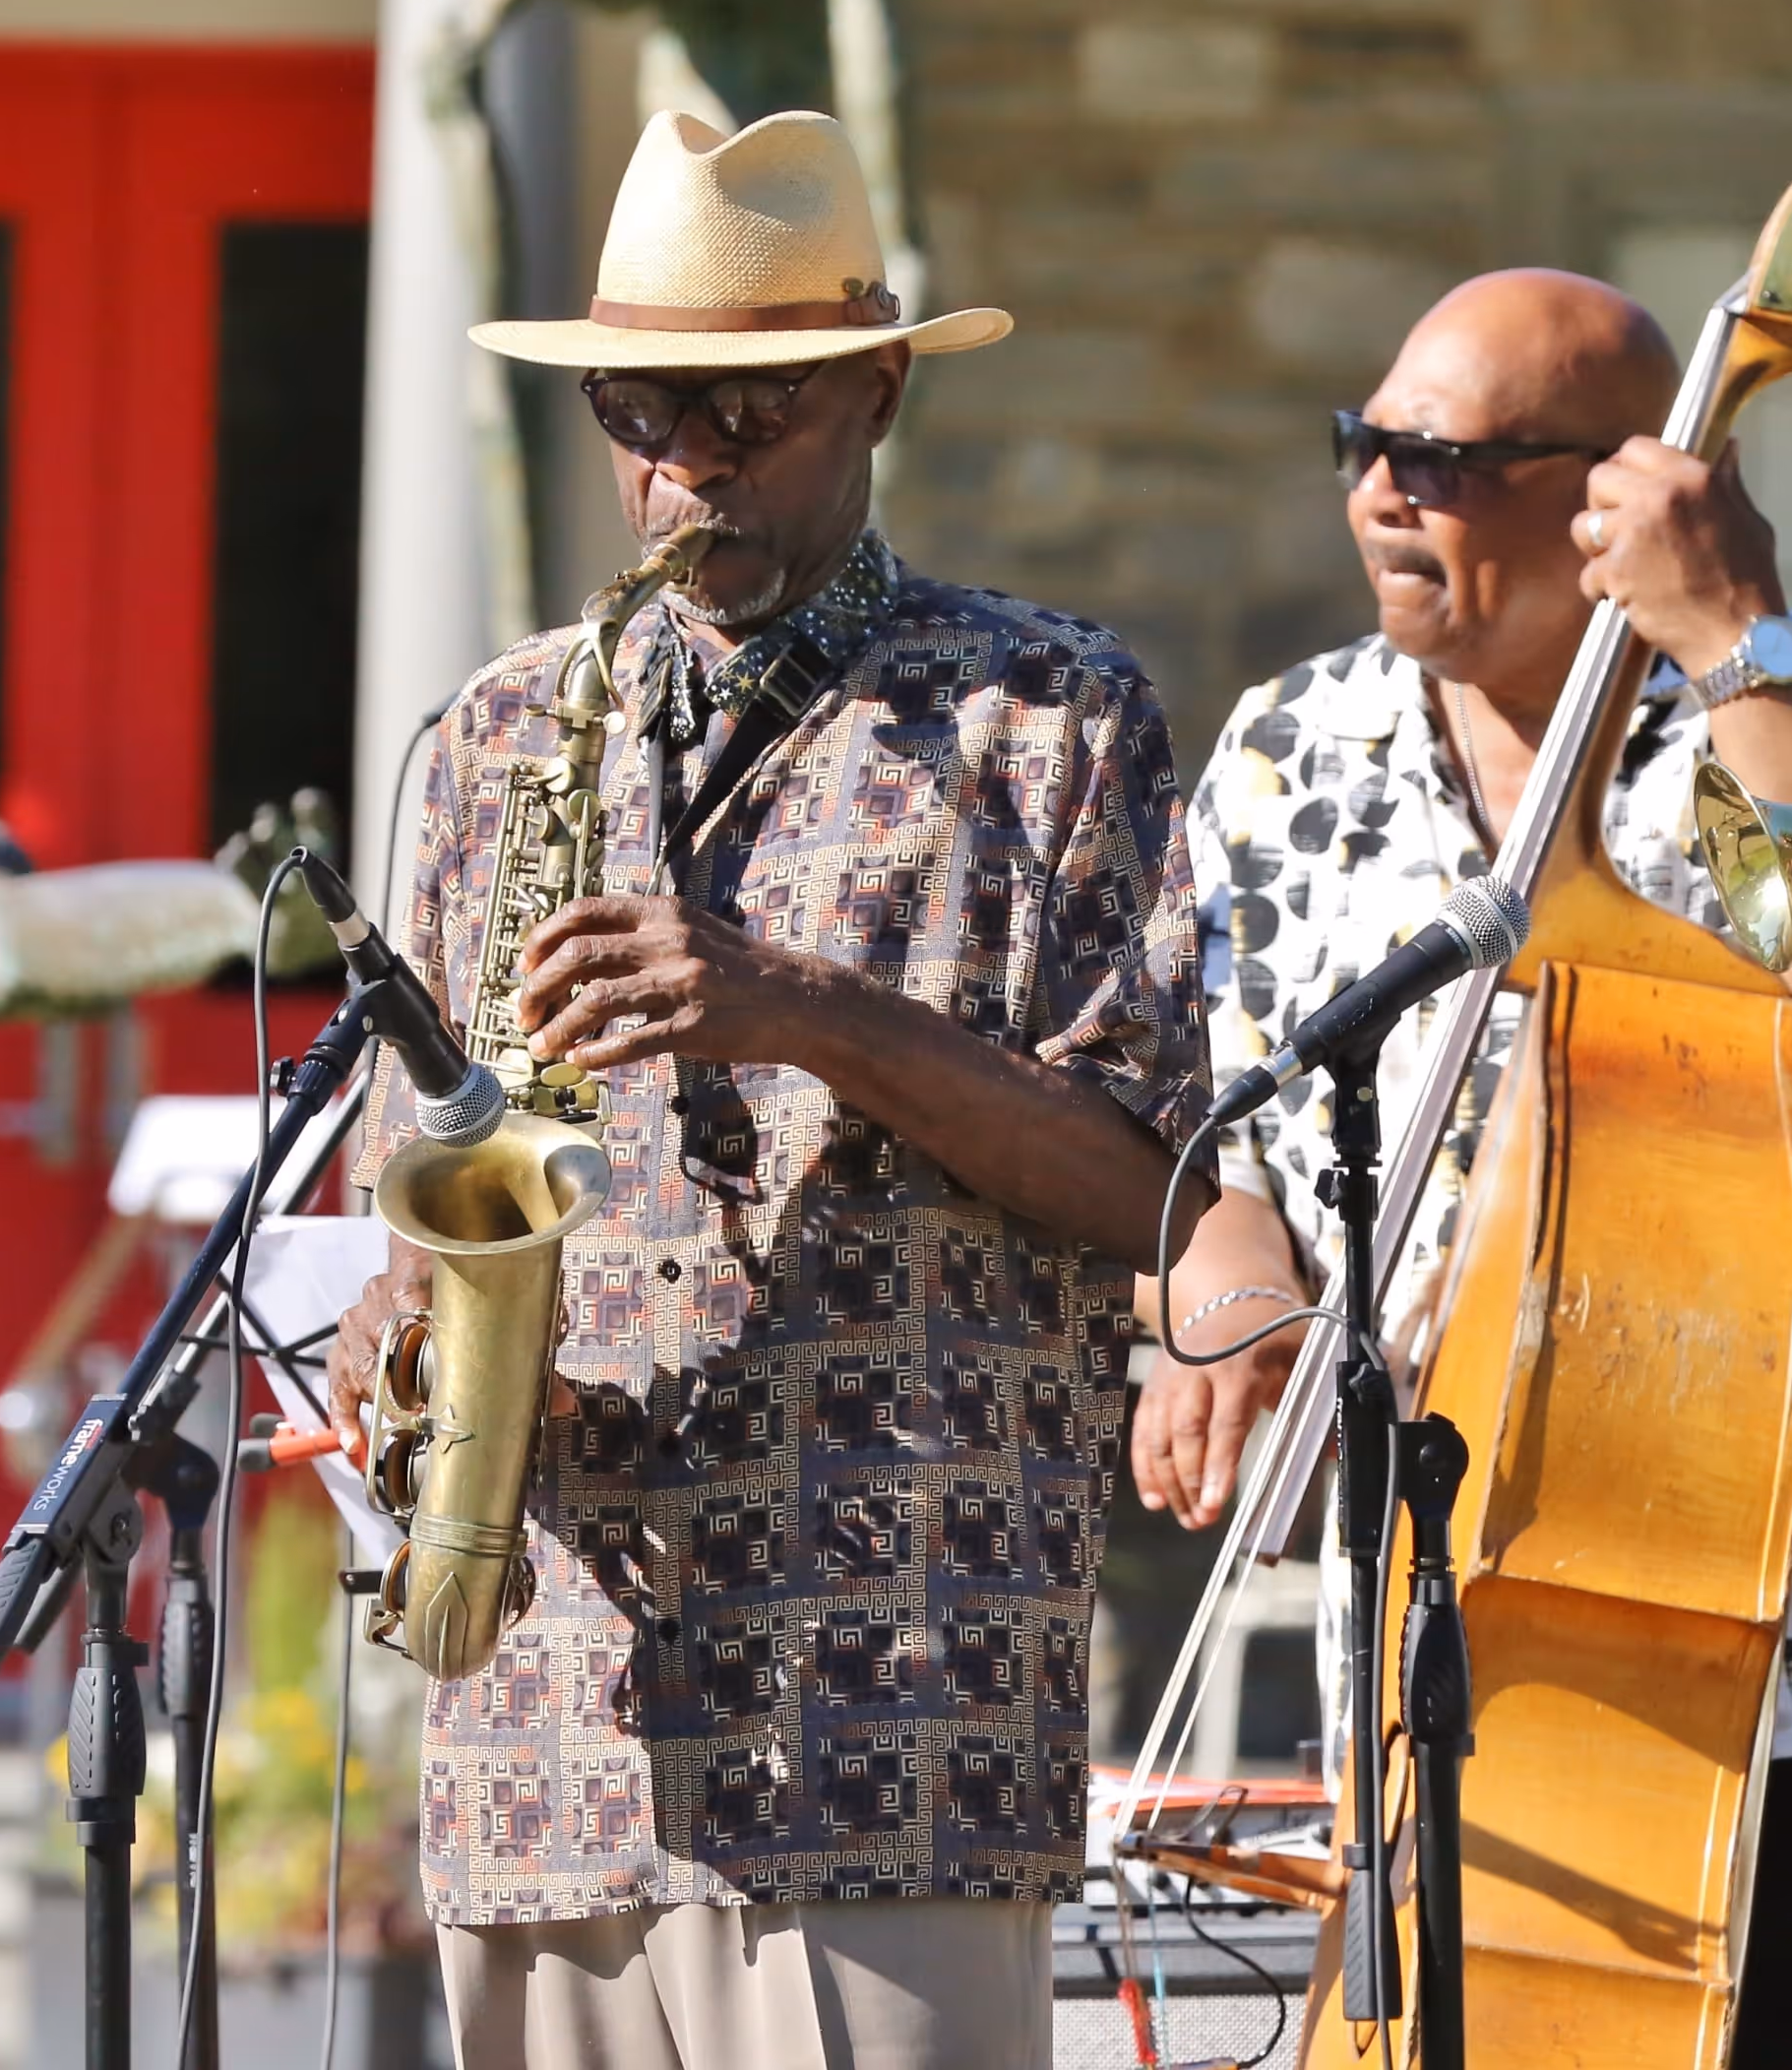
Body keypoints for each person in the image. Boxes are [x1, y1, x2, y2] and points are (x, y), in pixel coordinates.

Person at [328, 109, 1206, 2070]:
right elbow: (419, 1192)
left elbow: (1152, 1185)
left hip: (890, 1714)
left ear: (876, 387)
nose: (683, 464)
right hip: (552, 1725)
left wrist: (796, 1007)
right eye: (639, 409)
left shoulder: (1054, 712)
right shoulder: (490, 741)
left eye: (748, 410)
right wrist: (413, 1353)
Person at [1131, 268, 1792, 2070]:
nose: (1384, 491)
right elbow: (1194, 1132)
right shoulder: (1291, 746)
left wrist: (1739, 638)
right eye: (1364, 446)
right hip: (1432, 1651)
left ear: (1616, 491)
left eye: (1442, 461)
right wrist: (1224, 1302)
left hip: (1790, 1652)